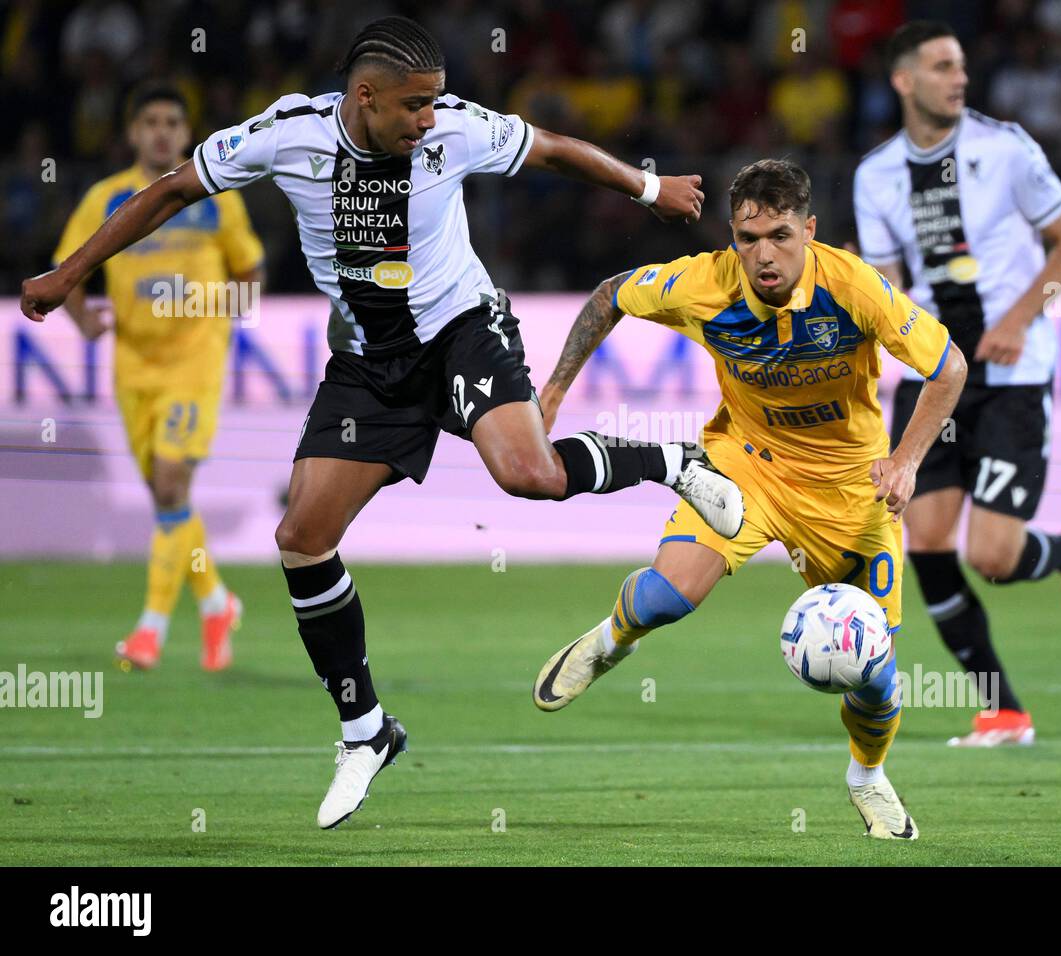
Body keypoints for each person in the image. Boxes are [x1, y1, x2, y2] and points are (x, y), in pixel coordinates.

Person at [21, 16, 743, 829]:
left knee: (530, 476)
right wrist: (70, 271)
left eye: (434, 104)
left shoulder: (456, 129)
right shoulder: (287, 135)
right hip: (370, 366)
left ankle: (673, 461)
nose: (430, 119)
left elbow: (550, 147)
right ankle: (365, 729)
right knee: (301, 537)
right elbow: (172, 189)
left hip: (462, 330)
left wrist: (650, 190)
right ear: (364, 97)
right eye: (414, 106)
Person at [532, 159, 967, 840]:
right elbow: (611, 293)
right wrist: (553, 391)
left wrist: (907, 461)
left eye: (781, 236)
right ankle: (610, 642)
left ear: (810, 230)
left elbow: (950, 366)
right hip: (745, 467)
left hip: (851, 494)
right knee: (665, 599)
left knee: (872, 675)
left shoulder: (856, 287)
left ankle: (867, 778)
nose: (764, 254)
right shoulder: (704, 283)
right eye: (748, 236)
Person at [853, 21, 1061, 748]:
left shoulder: (1006, 149)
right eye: (941, 67)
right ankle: (1004, 708)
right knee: (925, 541)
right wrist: (854, 283)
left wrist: (1022, 319)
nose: (958, 78)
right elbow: (893, 286)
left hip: (1013, 376)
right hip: (937, 376)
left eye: (961, 65)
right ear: (904, 81)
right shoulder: (875, 175)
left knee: (991, 557)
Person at [53, 84, 261, 673]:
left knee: (170, 485)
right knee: (172, 503)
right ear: (132, 132)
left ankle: (150, 629)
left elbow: (250, 276)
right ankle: (216, 601)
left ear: (187, 132)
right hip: (133, 367)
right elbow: (69, 265)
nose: (163, 131)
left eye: (173, 121)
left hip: (194, 364)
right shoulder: (106, 198)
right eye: (151, 121)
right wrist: (83, 318)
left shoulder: (218, 197)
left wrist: (210, 308)